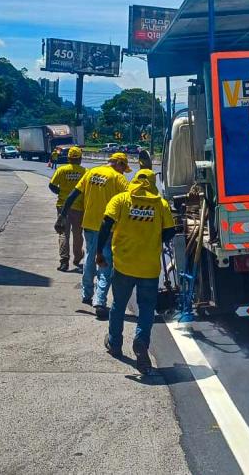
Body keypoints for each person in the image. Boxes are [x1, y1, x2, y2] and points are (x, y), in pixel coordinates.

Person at [96, 169, 175, 374]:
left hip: (123, 266)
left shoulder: (121, 200)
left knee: (119, 305)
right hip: (149, 268)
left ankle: (114, 343)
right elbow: (169, 232)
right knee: (146, 308)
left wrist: (99, 251)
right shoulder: (161, 204)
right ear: (152, 183)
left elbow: (106, 224)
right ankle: (141, 341)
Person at [56, 152, 131, 319]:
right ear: (118, 163)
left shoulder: (91, 172)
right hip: (108, 228)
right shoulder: (117, 178)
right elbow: (131, 198)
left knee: (90, 257)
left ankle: (87, 293)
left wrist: (62, 215)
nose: (122, 172)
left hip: (88, 224)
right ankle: (100, 300)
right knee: (104, 263)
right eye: (123, 168)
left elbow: (72, 195)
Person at [49, 146, 87, 271]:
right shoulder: (84, 171)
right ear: (80, 158)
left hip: (62, 207)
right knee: (77, 234)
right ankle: (77, 258)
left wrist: (61, 193)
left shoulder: (62, 170)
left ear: (69, 158)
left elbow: (52, 185)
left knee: (63, 234)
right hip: (78, 207)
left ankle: (64, 261)